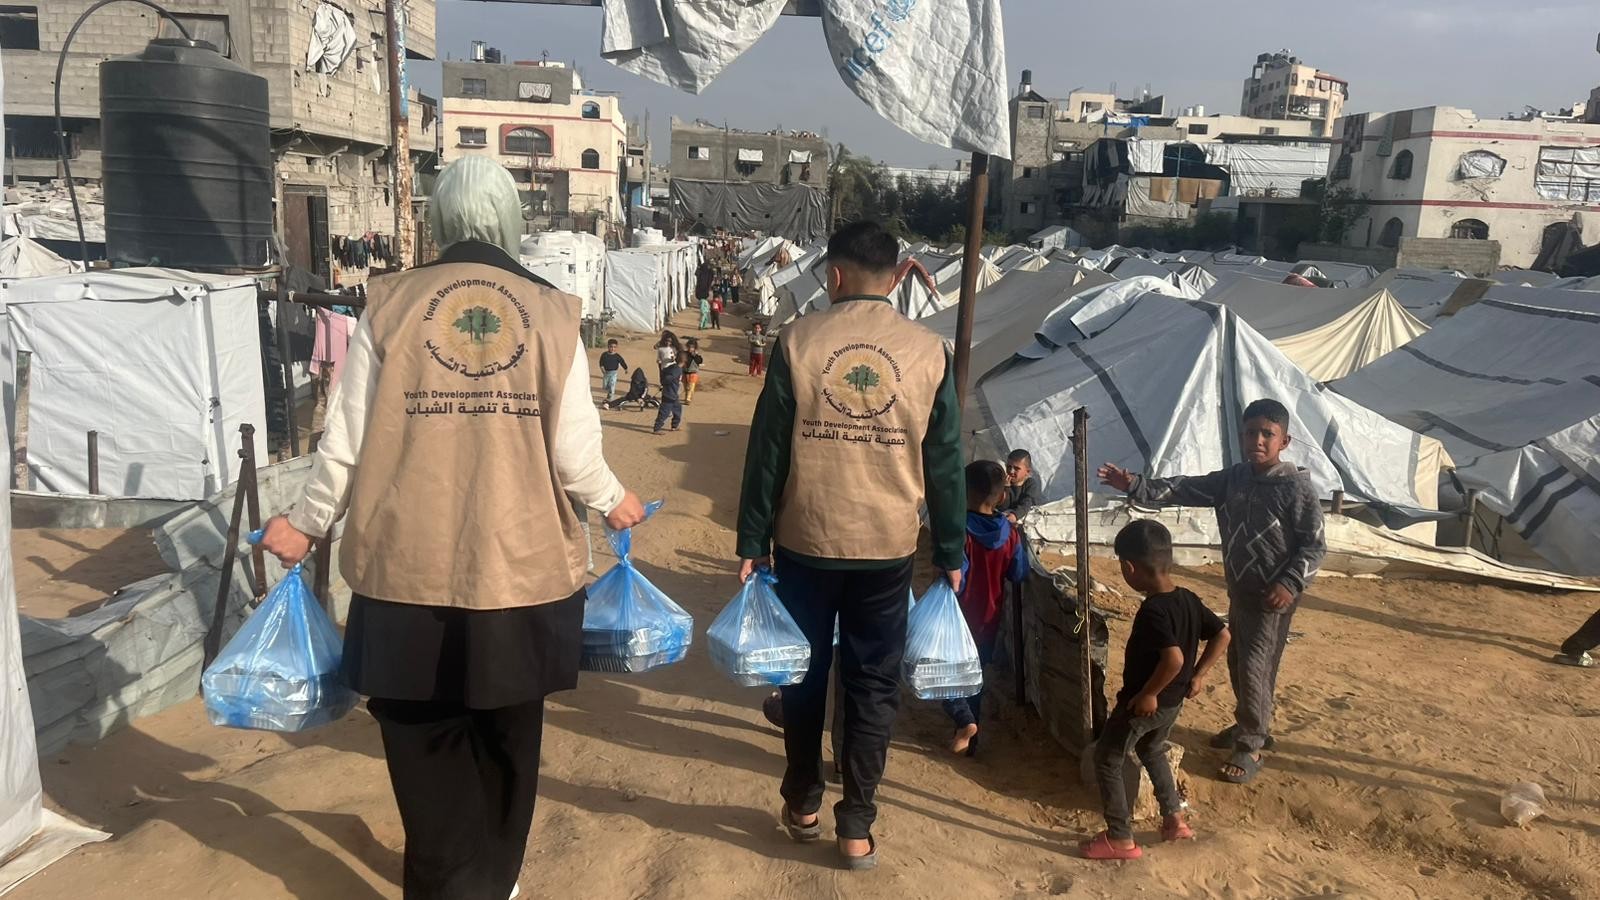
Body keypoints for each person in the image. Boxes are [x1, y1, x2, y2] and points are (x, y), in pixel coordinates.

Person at [254, 156, 646, 900]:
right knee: (507, 745)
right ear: (509, 222)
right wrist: (615, 498)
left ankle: (444, 882)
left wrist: (306, 525)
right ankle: (491, 884)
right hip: (522, 579)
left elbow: (346, 439)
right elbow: (574, 455)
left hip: (407, 580)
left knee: (423, 749)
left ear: (438, 222)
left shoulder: (390, 304)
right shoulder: (556, 312)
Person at [736, 220, 966, 870]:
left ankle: (804, 799)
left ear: (833, 276)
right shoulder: (927, 351)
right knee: (871, 684)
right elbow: (946, 460)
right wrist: (950, 551)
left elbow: (768, 450)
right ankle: (857, 823)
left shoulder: (798, 341)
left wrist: (753, 537)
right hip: (886, 552)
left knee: (803, 675)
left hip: (805, 544)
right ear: (896, 279)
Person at [1097, 398, 1325, 785]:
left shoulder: (1295, 487)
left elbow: (1314, 545)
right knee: (1238, 660)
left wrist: (1290, 583)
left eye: (1267, 434)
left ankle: (1251, 743)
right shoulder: (1233, 480)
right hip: (1241, 590)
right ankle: (1248, 728)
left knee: (1255, 667)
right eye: (1251, 432)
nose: (1258, 440)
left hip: (1273, 597)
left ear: (1284, 441)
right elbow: (1186, 488)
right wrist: (1136, 484)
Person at [1084, 519, 1230, 861]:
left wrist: (1149, 693)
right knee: (1152, 749)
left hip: (1143, 704)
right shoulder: (1189, 600)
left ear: (1129, 567)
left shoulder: (1153, 611)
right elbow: (1222, 634)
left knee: (1108, 757)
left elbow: (1173, 659)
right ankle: (1174, 819)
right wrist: (1199, 675)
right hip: (1173, 702)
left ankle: (1119, 837)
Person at [943, 460, 1028, 757]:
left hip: (956, 618)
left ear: (962, 492)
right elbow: (1019, 573)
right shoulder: (1010, 534)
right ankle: (971, 740)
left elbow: (956, 577)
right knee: (973, 677)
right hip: (989, 619)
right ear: (1002, 496)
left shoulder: (959, 531)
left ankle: (964, 722)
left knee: (944, 675)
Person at [998, 449, 1041, 524]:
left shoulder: (1030, 484)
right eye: (1009, 467)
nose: (1011, 471)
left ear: (1027, 472)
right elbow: (1003, 507)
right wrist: (1006, 488)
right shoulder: (1004, 482)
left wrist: (1015, 515)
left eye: (1016, 468)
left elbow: (1027, 503)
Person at [655, 352, 684, 434]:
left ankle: (674, 426)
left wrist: (660, 366)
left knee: (678, 409)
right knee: (664, 412)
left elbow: (664, 372)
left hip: (674, 394)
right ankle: (657, 428)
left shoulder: (674, 367)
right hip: (669, 394)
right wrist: (664, 383)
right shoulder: (676, 369)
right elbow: (666, 378)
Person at [598, 339, 628, 403]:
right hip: (606, 373)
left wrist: (625, 368)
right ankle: (609, 394)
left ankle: (610, 398)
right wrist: (602, 369)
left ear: (616, 347)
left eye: (614, 347)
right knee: (605, 386)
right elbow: (601, 363)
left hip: (614, 373)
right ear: (608, 347)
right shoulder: (604, 355)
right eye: (611, 347)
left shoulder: (617, 356)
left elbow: (622, 362)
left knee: (612, 385)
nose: (612, 348)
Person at [682, 338, 703, 405]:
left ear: (695, 348)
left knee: (691, 386)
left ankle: (688, 399)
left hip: (693, 373)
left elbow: (700, 361)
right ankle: (687, 396)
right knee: (685, 386)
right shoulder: (684, 353)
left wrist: (696, 356)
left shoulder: (696, 356)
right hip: (685, 372)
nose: (690, 349)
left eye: (692, 347)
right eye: (689, 347)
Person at [695, 258, 715, 329]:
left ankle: (703, 325)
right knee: (704, 313)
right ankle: (701, 326)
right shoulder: (708, 273)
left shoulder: (701, 272)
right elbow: (711, 277)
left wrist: (698, 267)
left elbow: (696, 273)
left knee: (704, 312)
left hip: (700, 294)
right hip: (704, 294)